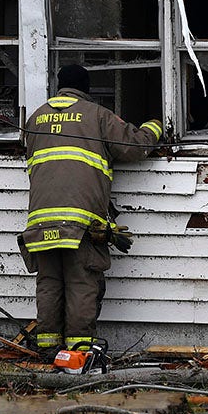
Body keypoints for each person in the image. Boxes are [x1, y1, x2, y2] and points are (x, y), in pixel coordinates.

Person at [21, 64, 162, 358]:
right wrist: (156, 126)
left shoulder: (35, 118)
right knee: (81, 283)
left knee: (48, 283)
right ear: (85, 88)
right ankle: (79, 351)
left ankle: (48, 349)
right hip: (80, 221)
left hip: (40, 222)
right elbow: (135, 146)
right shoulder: (96, 115)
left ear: (59, 86)